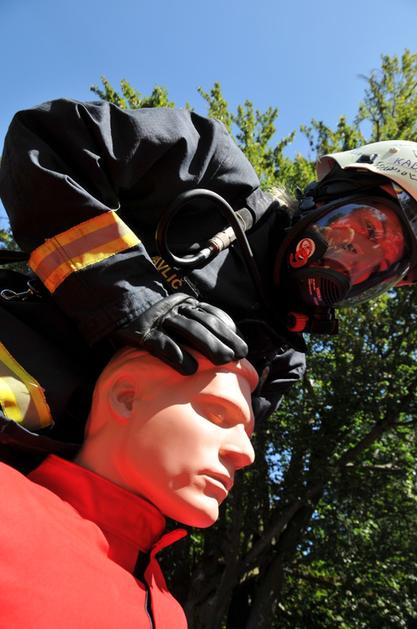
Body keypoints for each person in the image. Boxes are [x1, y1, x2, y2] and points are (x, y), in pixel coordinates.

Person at [1, 100, 417, 425]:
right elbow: (47, 141)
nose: (358, 261)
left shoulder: (280, 361)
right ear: (331, 192)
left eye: (382, 268)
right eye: (370, 229)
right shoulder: (210, 167)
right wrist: (131, 300)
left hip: (61, 468)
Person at [0, 347, 258, 628]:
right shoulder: (6, 506)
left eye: (247, 434)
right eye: (218, 412)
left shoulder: (172, 616)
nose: (246, 453)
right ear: (126, 397)